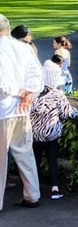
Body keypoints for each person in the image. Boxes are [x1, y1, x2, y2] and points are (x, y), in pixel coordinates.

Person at [0, 13, 44, 210]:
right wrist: (29, 93)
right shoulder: (23, 48)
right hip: (22, 107)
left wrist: (18, 92)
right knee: (25, 152)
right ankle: (32, 194)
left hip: (4, 108)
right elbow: (37, 74)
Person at [30, 62, 78, 200]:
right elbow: (68, 113)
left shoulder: (35, 94)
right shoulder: (58, 95)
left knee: (35, 161)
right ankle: (55, 189)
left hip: (35, 134)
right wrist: (76, 112)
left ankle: (32, 190)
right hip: (51, 134)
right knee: (52, 161)